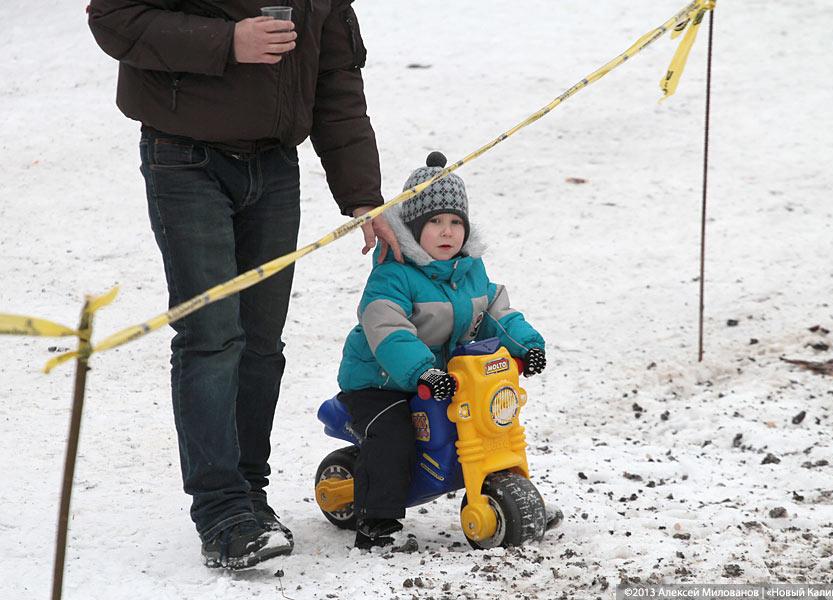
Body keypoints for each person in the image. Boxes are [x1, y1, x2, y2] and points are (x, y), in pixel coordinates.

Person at [87, 0, 400, 569]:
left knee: (260, 343)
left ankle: (249, 495)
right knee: (212, 337)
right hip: (183, 157)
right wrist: (226, 42)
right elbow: (113, 18)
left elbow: (334, 77)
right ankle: (222, 512)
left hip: (274, 166)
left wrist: (362, 194)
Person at [336, 152, 547, 550]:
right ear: (413, 230)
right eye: (434, 222)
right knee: (394, 435)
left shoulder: (470, 271)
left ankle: (510, 491)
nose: (447, 231)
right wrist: (421, 372)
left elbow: (497, 316)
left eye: (455, 222)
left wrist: (526, 346)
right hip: (381, 382)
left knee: (492, 423)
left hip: (443, 380)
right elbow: (390, 332)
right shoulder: (393, 273)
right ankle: (376, 517)